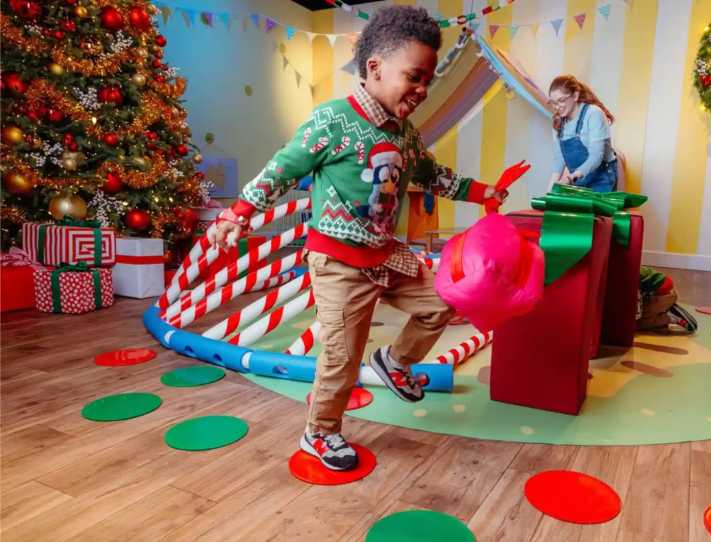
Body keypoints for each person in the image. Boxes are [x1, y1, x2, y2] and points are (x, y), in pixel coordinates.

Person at [210, 5, 528, 471]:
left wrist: (484, 192)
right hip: (338, 262)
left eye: (427, 81)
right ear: (375, 68)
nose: (421, 90)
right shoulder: (332, 121)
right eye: (414, 77)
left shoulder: (405, 134)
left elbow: (432, 175)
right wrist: (238, 214)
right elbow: (282, 168)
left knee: (440, 301)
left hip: (385, 255)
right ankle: (319, 433)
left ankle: (395, 362)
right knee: (341, 356)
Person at [548, 75, 617, 193]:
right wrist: (549, 192)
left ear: (575, 95)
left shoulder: (594, 114)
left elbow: (596, 157)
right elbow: (559, 160)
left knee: (591, 210)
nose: (557, 107)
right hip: (577, 180)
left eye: (561, 100)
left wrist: (570, 178)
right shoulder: (559, 121)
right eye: (553, 102)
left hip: (601, 179)